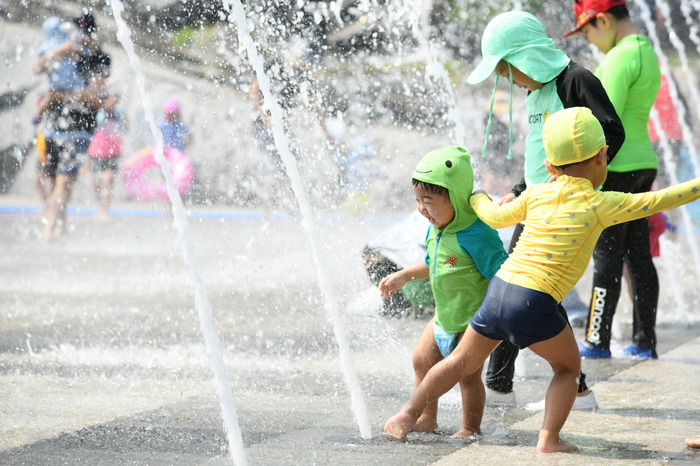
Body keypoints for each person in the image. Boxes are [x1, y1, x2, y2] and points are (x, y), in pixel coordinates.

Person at [384, 106, 700, 452]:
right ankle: (549, 439)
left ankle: (407, 412)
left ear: (549, 167)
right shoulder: (600, 202)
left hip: (499, 291)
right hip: (534, 301)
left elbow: (495, 216)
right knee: (567, 368)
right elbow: (656, 200)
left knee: (459, 361)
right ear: (602, 157)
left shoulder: (535, 193)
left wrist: (475, 196)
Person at [466, 10, 625, 410]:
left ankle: (526, 387)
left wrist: (579, 188)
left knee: (523, 289)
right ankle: (515, 385)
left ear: (527, 58)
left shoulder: (575, 81)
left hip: (563, 210)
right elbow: (543, 158)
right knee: (526, 290)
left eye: (509, 70)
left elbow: (610, 133)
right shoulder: (535, 93)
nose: (509, 80)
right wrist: (519, 190)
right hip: (538, 204)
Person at [379, 146, 509, 438]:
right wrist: (404, 276)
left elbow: (501, 273)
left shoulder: (477, 234)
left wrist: (504, 314)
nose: (422, 209)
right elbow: (431, 263)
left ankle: (470, 427)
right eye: (417, 201)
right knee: (421, 361)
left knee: (468, 376)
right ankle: (427, 418)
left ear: (456, 196)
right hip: (444, 316)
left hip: (474, 320)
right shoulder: (437, 229)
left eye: (429, 200)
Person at [564, 0, 661, 360]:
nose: (588, 40)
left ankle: (596, 340)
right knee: (638, 254)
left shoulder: (619, 57)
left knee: (607, 254)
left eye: (587, 30)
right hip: (644, 163)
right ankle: (644, 341)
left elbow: (603, 121)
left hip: (616, 166)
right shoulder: (646, 51)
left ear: (603, 19)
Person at [34, 13, 110, 240]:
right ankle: (61, 224)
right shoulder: (61, 50)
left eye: (86, 33)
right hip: (52, 125)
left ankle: (49, 231)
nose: (82, 38)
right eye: (77, 33)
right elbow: (37, 68)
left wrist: (60, 95)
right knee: (52, 179)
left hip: (80, 127)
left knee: (65, 178)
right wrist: (58, 52)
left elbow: (97, 100)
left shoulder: (99, 59)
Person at [362, 210, 434, 318]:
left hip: (390, 250)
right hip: (387, 250)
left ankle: (400, 308)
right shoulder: (430, 213)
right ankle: (399, 308)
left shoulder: (427, 217)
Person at [87, 92, 127, 220]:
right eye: (112, 97)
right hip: (96, 151)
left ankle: (104, 210)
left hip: (113, 152)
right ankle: (100, 206)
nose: (114, 100)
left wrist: (125, 119)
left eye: (117, 98)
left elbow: (126, 128)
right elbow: (91, 128)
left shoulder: (119, 113)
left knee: (108, 181)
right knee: (96, 183)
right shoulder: (99, 112)